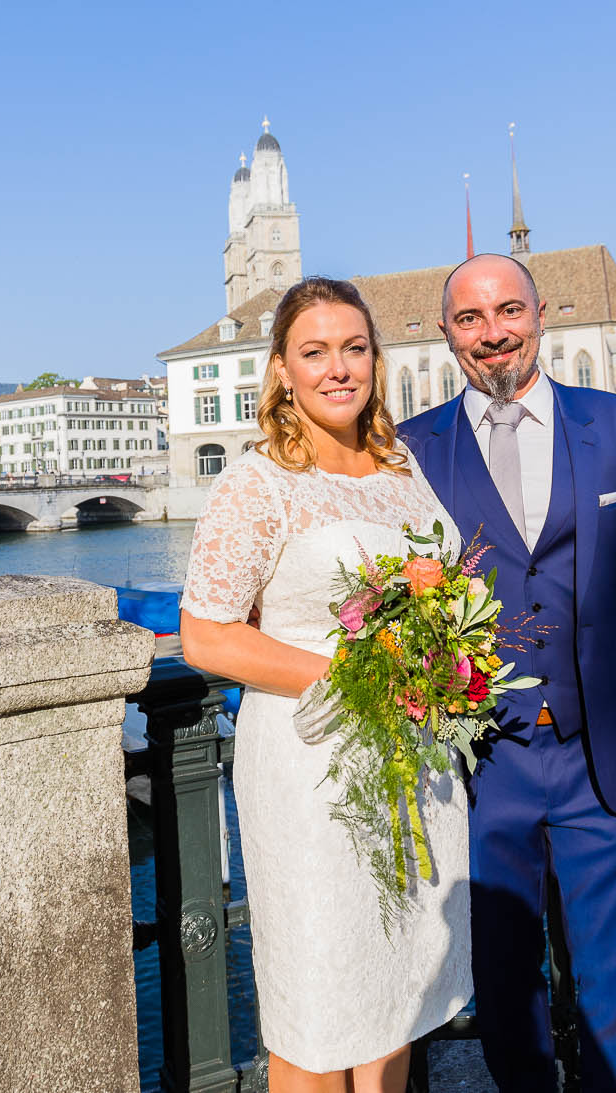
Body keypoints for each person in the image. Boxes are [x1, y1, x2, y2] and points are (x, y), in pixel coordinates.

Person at [399, 254, 616, 1092]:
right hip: (480, 770)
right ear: (447, 333)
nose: (493, 334)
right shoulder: (409, 452)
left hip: (606, 760)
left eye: (507, 310)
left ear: (540, 314)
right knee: (506, 993)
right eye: (471, 320)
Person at [180, 277, 469, 1093]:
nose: (338, 368)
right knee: (317, 1000)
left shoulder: (399, 465)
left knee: (395, 989)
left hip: (416, 762)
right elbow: (206, 633)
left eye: (354, 348)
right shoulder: (259, 479)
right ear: (282, 371)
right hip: (315, 771)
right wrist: (359, 676)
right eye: (315, 352)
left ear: (374, 360)